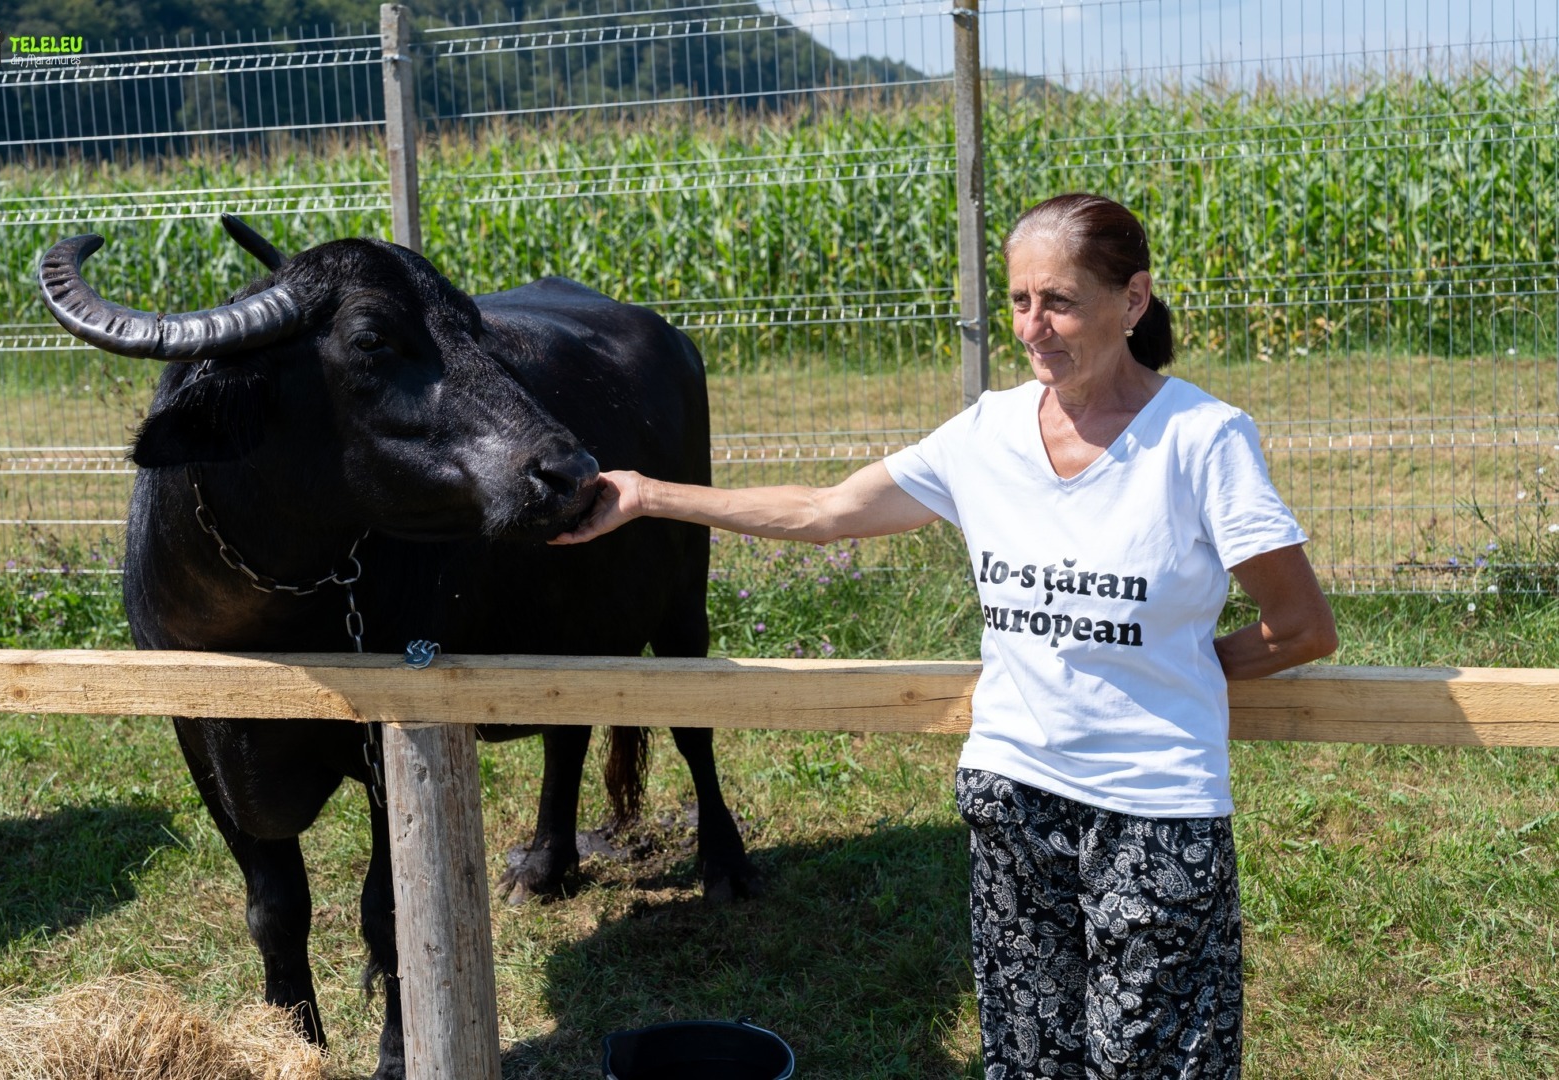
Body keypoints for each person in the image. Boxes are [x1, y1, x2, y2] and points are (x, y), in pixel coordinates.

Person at [552, 192, 1338, 1079]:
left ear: (1133, 300)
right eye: (1018, 301)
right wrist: (651, 495)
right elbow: (823, 512)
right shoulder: (988, 434)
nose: (1035, 327)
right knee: (1028, 1062)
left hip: (1155, 817)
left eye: (1062, 302)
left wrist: (1170, 671)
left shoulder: (1203, 440)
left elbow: (1302, 627)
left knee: (1154, 1066)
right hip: (1014, 801)